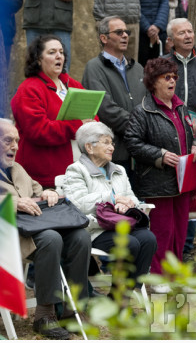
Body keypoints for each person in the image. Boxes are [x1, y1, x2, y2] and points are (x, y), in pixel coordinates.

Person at [0, 118, 91, 339]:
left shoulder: (18, 167)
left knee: (80, 236)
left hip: (32, 227)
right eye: (7, 140)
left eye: (17, 141)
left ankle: (73, 309)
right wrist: (12, 203)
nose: (14, 146)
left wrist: (48, 193)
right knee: (51, 238)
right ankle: (45, 316)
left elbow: (36, 190)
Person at [124, 57, 196, 290]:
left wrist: (195, 146)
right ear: (153, 82)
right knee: (162, 230)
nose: (172, 81)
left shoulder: (181, 107)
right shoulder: (142, 111)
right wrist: (159, 155)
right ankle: (157, 276)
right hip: (157, 182)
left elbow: (187, 136)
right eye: (166, 77)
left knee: (180, 228)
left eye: (174, 77)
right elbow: (132, 142)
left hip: (183, 179)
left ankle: (174, 273)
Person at [63, 122, 157, 290]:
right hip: (95, 229)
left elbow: (131, 198)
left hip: (122, 224)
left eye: (112, 143)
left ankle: (125, 296)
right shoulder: (76, 170)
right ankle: (120, 298)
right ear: (89, 148)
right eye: (106, 142)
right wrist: (112, 199)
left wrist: (127, 204)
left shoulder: (119, 170)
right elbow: (79, 204)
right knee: (130, 243)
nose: (112, 147)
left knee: (148, 239)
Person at [10, 35, 95, 188]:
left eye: (61, 52)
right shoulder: (29, 89)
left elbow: (92, 115)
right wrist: (77, 125)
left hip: (78, 174)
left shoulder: (72, 84)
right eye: (51, 52)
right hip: (43, 179)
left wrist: (93, 126)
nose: (58, 56)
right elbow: (39, 130)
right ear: (38, 59)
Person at [160, 18, 196, 258]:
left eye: (190, 31)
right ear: (171, 39)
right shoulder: (161, 65)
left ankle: (187, 249)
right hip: (170, 139)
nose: (188, 36)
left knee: (194, 193)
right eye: (182, 33)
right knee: (173, 194)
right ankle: (170, 248)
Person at [81, 16, 146, 183]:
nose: (125, 35)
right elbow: (105, 108)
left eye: (126, 32)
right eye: (119, 32)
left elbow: (148, 103)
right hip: (113, 151)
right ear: (104, 38)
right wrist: (141, 127)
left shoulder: (138, 68)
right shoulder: (94, 67)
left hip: (140, 151)